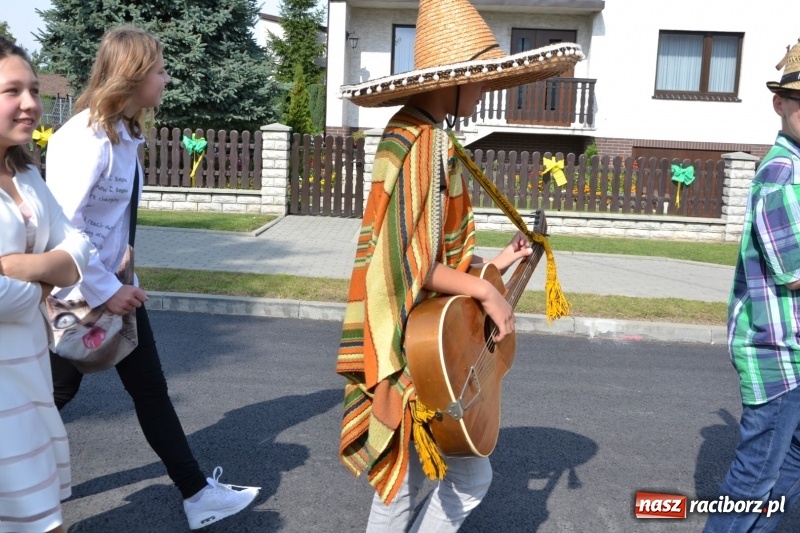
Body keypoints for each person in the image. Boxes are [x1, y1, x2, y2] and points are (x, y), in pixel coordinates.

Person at [334, 0, 581, 530]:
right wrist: (488, 293)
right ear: (455, 81)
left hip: (419, 332)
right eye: (482, 79)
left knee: (413, 482)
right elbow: (411, 263)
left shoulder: (423, 132)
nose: (486, 90)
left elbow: (430, 255)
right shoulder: (422, 142)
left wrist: (498, 263)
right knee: (430, 482)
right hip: (410, 342)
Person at [44, 26, 259, 530]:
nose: (166, 80)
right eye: (160, 71)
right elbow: (63, 228)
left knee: (146, 391)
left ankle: (197, 493)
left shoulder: (122, 134)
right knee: (52, 397)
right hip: (83, 295)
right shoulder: (85, 139)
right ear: (133, 75)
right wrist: (108, 289)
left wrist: (124, 273)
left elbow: (110, 220)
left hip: (113, 287)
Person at [704, 40, 800, 533]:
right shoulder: (782, 176)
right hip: (779, 355)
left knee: (787, 473)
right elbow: (794, 271)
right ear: (779, 103)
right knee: (753, 481)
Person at [0, 36, 90, 533]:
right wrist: (40, 288)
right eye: (12, 91)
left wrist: (25, 266)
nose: (31, 103)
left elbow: (78, 250)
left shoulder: (25, 174)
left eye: (33, 89)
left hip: (28, 375)